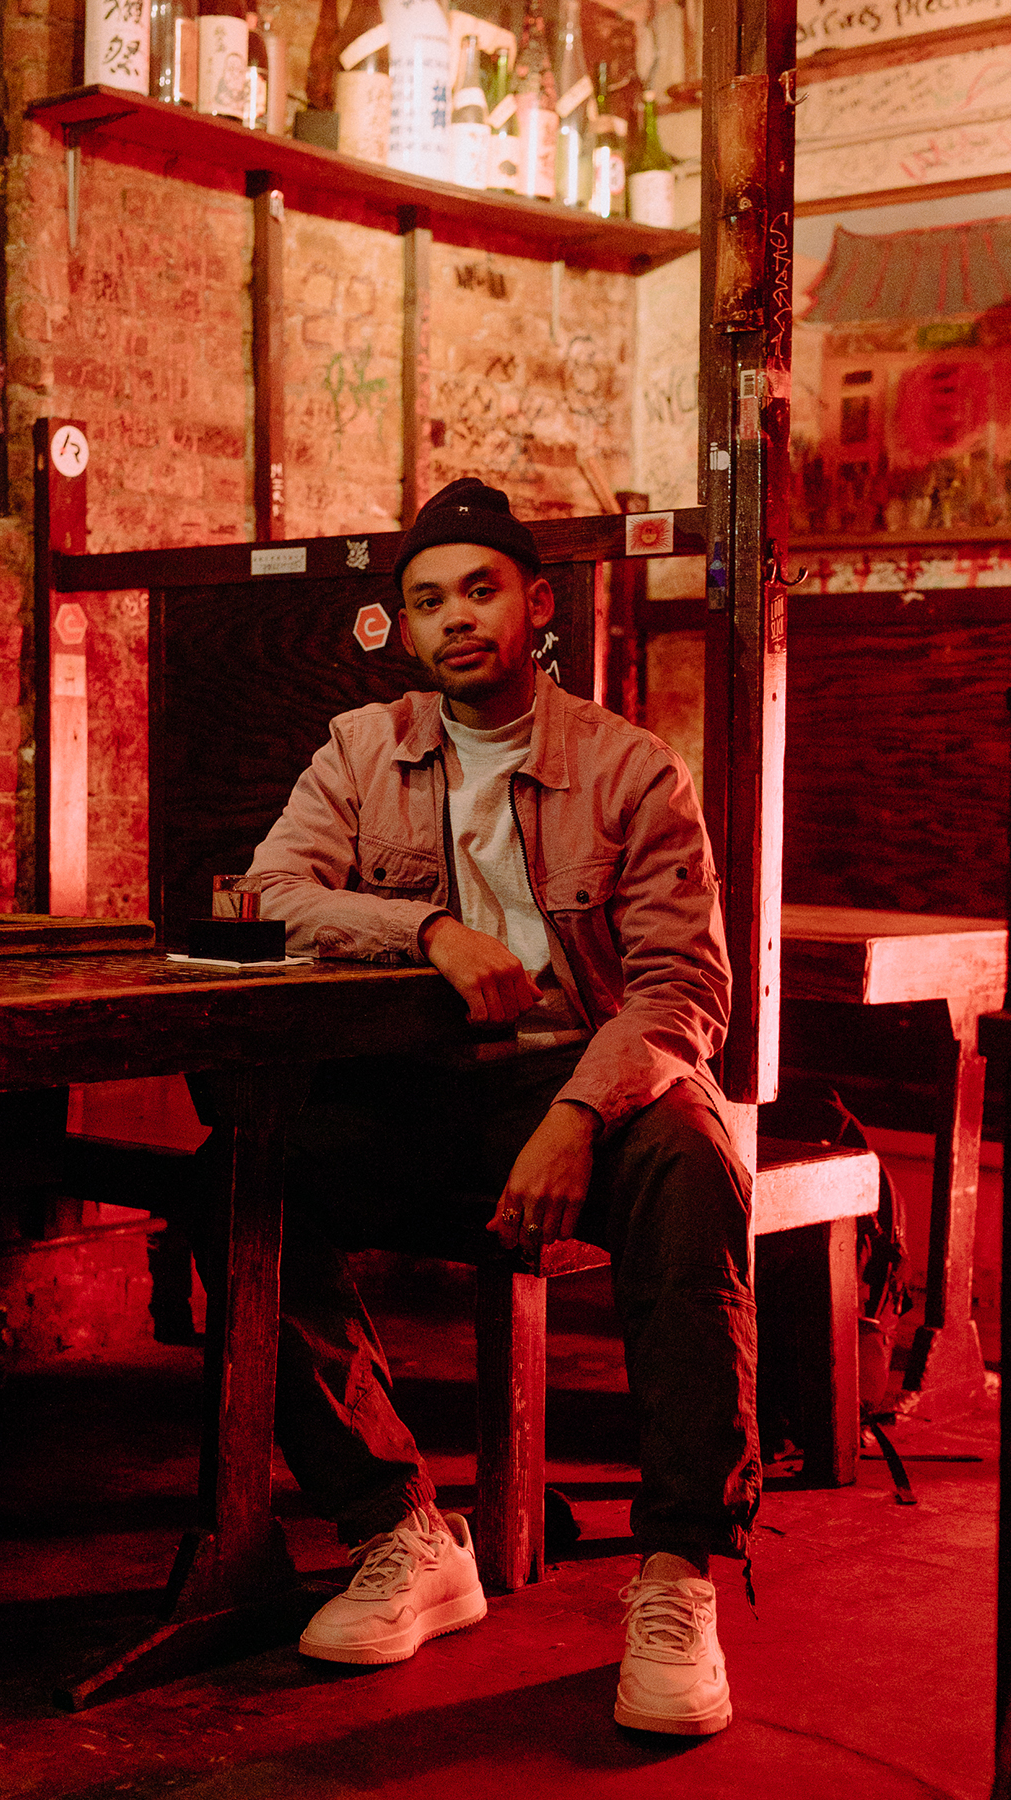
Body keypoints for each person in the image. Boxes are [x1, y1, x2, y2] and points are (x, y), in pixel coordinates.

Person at [247, 477, 759, 1737]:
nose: (456, 619)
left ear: (538, 607)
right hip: (422, 1084)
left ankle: (679, 1572)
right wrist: (427, 929)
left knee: (695, 1167)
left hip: (593, 1076)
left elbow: (683, 990)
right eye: (428, 601)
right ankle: (401, 1530)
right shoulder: (360, 748)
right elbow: (271, 894)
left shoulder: (631, 768)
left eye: (480, 591)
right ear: (407, 629)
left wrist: (577, 1116)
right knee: (246, 1179)